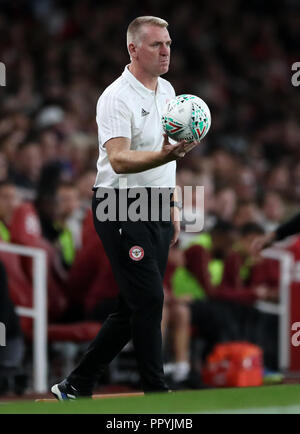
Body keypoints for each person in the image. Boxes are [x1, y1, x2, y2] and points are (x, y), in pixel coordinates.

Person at [51, 16, 200, 400]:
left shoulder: (168, 91)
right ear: (133, 49)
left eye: (168, 43)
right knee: (150, 299)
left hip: (155, 205)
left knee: (133, 305)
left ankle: (76, 384)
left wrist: (173, 202)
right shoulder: (116, 97)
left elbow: (168, 158)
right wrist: (165, 155)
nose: (166, 50)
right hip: (119, 205)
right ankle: (157, 391)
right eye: (156, 45)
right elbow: (118, 159)